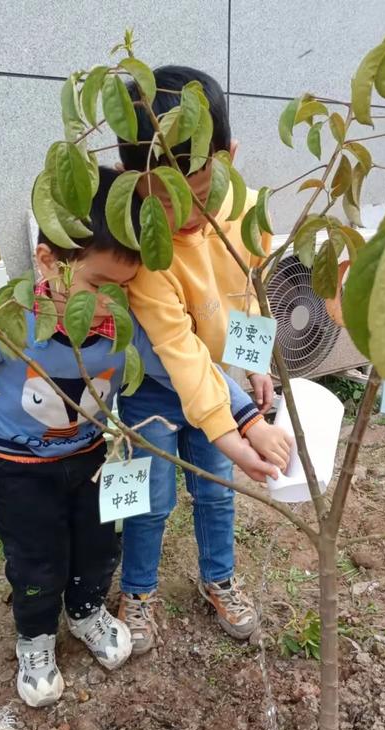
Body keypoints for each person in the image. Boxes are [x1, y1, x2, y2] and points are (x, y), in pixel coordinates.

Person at [0, 167, 287, 706]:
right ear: (47, 261)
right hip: (16, 467)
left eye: (124, 291)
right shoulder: (9, 319)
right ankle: (35, 639)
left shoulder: (123, 334)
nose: (110, 304)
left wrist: (247, 415)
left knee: (95, 546)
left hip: (87, 457)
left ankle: (87, 611)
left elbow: (189, 365)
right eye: (97, 287)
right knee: (36, 558)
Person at [116, 66, 291, 654]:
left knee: (216, 491)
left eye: (193, 190)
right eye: (157, 195)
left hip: (217, 385)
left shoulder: (245, 212)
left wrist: (255, 363)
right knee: (150, 495)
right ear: (127, 177)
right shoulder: (143, 247)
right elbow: (179, 352)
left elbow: (249, 293)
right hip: (159, 386)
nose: (178, 213)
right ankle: (137, 591)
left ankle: (219, 578)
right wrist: (238, 427)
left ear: (229, 157)